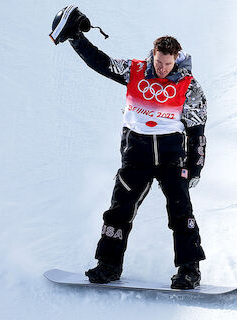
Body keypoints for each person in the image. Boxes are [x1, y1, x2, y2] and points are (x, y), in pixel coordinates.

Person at [50, 6, 207, 289]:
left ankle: (189, 271)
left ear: (176, 60)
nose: (162, 68)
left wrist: (195, 166)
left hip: (172, 155)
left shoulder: (189, 85)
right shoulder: (135, 70)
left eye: (168, 64)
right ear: (153, 54)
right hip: (137, 153)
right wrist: (76, 38)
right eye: (159, 61)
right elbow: (101, 62)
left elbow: (197, 129)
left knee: (181, 212)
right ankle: (108, 265)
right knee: (118, 211)